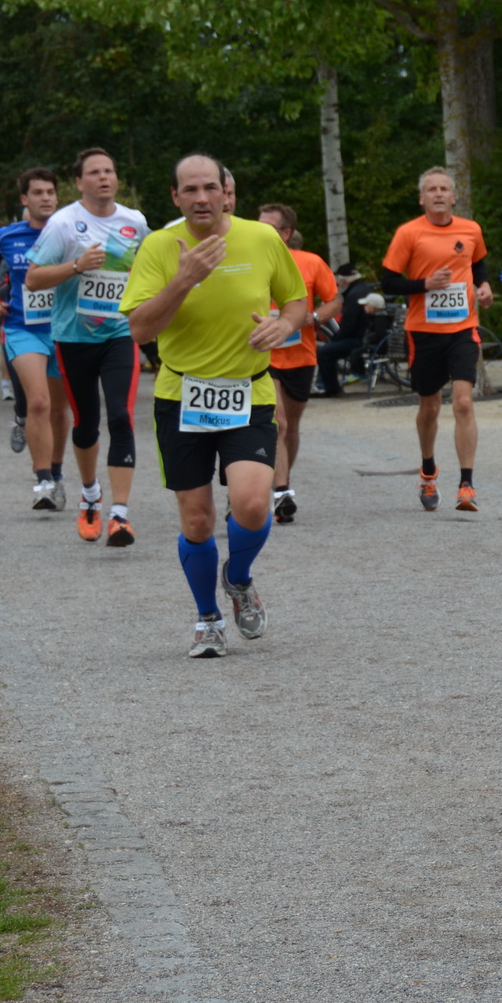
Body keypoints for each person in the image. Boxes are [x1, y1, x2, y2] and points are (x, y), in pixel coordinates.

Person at [121, 153, 306, 658]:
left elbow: (296, 300)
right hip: (183, 396)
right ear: (175, 198)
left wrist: (284, 326)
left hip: (249, 391)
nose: (201, 198)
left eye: (210, 188)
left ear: (227, 192)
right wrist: (183, 279)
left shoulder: (262, 238)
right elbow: (139, 328)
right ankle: (207, 618)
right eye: (190, 190)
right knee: (198, 520)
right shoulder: (160, 247)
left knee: (250, 504)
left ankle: (239, 578)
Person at [25, 147, 149, 547]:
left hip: (118, 334)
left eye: (109, 170)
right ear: (78, 182)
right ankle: (91, 495)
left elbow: (150, 269)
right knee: (86, 422)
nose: (103, 178)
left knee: (121, 416)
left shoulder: (135, 221)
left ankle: (120, 515)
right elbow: (33, 279)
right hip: (73, 337)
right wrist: (78, 266)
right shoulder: (63, 224)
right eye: (94, 172)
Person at [379, 166, 493, 512]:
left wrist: (484, 287)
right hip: (424, 333)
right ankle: (428, 470)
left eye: (445, 188)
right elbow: (388, 281)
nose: (439, 194)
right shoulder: (408, 233)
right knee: (429, 408)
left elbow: (479, 265)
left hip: (462, 329)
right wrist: (424, 285)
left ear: (454, 197)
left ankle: (467, 485)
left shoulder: (470, 229)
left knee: (462, 402)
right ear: (422, 198)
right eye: (432, 189)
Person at [0, 168, 71, 512]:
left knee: (60, 410)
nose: (45, 197)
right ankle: (43, 481)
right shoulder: (6, 236)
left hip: (64, 331)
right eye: (38, 192)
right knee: (39, 403)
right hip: (22, 328)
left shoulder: (71, 232)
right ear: (24, 199)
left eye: (50, 191)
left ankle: (57, 474)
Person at [256, 202, 341, 522]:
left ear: (286, 233)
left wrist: (313, 317)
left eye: (269, 227)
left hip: (301, 355)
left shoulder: (310, 262)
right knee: (278, 422)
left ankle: (282, 484)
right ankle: (281, 491)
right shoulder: (250, 261)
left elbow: (335, 300)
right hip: (263, 355)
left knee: (291, 427)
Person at [313, 265, 378, 395]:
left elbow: (348, 325)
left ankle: (330, 388)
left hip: (358, 340)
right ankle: (326, 385)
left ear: (343, 280)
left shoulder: (353, 295)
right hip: (368, 336)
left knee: (323, 352)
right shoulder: (365, 289)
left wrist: (337, 337)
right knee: (328, 349)